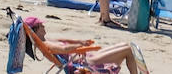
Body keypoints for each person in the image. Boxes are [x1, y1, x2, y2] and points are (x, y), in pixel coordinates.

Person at [20, 17, 149, 74]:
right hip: (85, 62)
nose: (44, 26)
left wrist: (80, 42)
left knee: (125, 46)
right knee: (127, 49)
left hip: (84, 57)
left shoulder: (47, 40)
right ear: (36, 30)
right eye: (41, 25)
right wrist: (80, 48)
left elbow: (65, 41)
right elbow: (64, 48)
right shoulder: (46, 43)